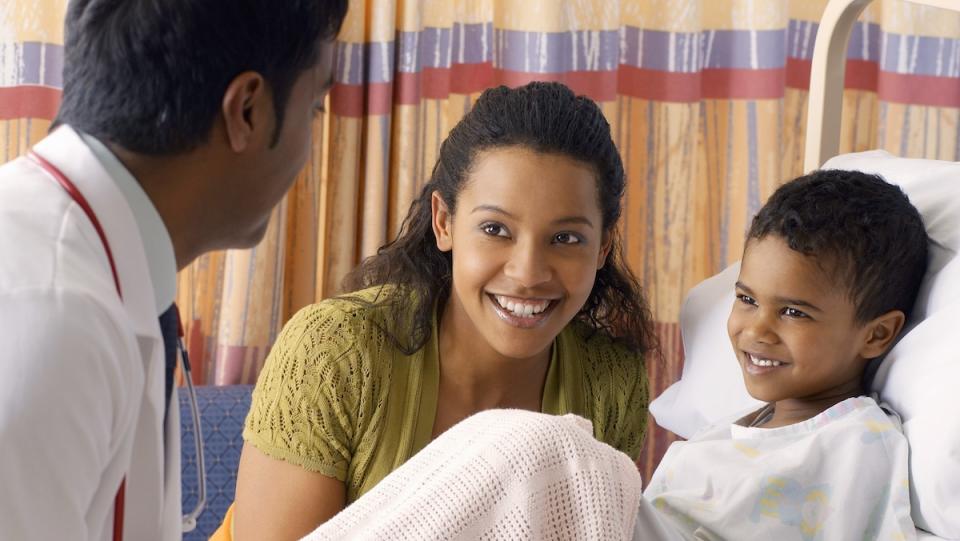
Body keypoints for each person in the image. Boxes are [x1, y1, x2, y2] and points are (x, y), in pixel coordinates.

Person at [297, 169, 929, 540]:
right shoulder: (746, 426)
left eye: (793, 312)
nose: (755, 330)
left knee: (541, 447)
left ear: (877, 334)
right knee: (526, 447)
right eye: (746, 298)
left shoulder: (859, 442)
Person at [220, 81, 658, 540]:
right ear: (444, 222)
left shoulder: (612, 381)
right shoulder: (333, 353)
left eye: (566, 238)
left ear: (603, 245)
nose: (528, 273)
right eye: (495, 228)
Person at [0, 1, 347, 539]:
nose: (311, 142)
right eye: (315, 109)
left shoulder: (108, 266)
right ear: (247, 111)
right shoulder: (50, 314)